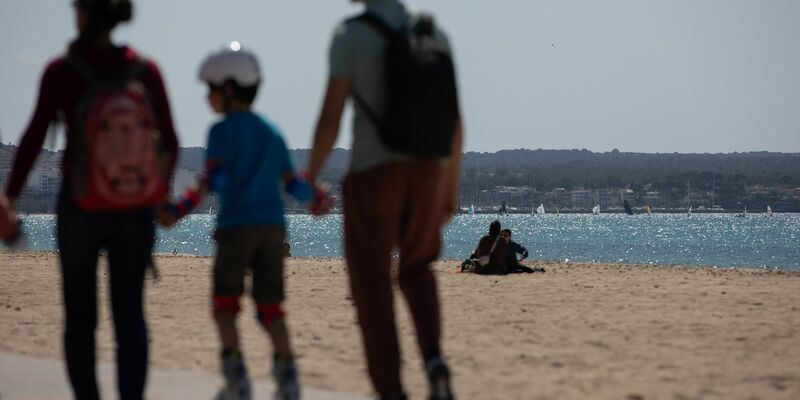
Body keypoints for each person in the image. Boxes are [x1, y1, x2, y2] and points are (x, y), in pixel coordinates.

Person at [4, 1, 179, 398]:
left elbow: (33, 138)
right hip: (134, 210)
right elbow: (170, 139)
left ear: (82, 12)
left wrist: (9, 197)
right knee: (130, 317)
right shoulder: (144, 71)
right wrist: (156, 194)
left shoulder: (62, 71)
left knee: (81, 320)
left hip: (80, 205)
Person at [305, 0, 463, 398]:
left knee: (372, 286)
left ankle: (391, 390)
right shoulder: (432, 33)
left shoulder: (350, 35)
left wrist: (308, 177)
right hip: (428, 172)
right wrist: (448, 188)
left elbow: (330, 117)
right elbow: (456, 124)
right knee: (418, 269)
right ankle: (433, 358)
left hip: (374, 175)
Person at [159, 44, 327, 400]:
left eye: (211, 90)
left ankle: (237, 382)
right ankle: (288, 381)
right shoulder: (272, 131)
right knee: (271, 309)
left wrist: (178, 210)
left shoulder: (220, 132)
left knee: (225, 307)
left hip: (235, 229)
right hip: (271, 230)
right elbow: (291, 182)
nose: (207, 98)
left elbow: (212, 180)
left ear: (230, 89)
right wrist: (317, 200)